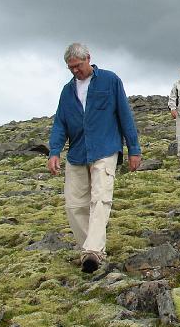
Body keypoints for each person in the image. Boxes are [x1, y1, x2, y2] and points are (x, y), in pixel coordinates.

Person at [48, 43, 142, 273]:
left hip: (105, 148)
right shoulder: (67, 91)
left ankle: (94, 251)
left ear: (88, 58)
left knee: (100, 198)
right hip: (77, 153)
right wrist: (54, 151)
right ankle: (88, 251)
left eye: (78, 66)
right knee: (74, 205)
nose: (75, 71)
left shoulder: (110, 81)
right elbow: (60, 123)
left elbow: (125, 115)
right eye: (70, 68)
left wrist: (134, 149)